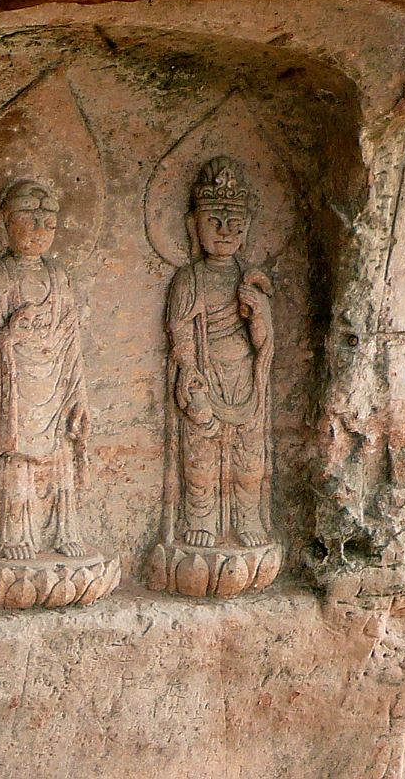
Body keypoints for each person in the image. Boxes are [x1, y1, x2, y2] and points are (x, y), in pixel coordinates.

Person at [162, 156, 274, 550]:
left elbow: (263, 342)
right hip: (205, 376)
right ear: (194, 225)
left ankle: (248, 518)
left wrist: (258, 314)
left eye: (234, 223)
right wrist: (189, 370)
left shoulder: (250, 280)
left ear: (247, 229)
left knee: (249, 457)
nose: (225, 231)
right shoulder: (189, 278)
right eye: (214, 221)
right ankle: (201, 518)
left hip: (244, 378)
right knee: (200, 454)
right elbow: (179, 329)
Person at [0, 180, 90, 560]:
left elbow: (72, 339)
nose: (39, 230)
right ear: (4, 222)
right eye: (29, 220)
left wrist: (79, 395)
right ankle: (13, 535)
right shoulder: (0, 276)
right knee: (17, 455)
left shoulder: (58, 276)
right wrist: (11, 334)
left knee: (61, 450)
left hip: (56, 378)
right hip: (16, 383)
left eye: (48, 223)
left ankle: (63, 531)